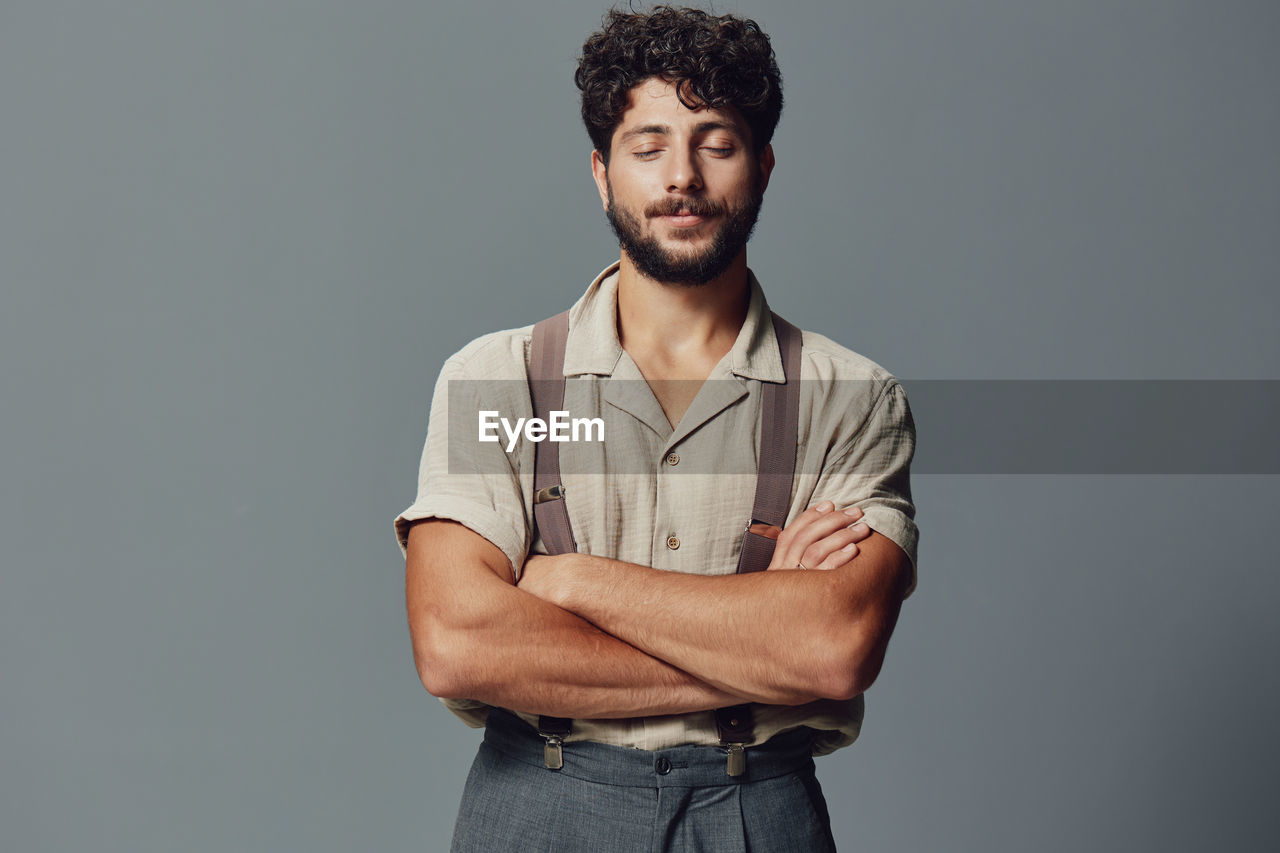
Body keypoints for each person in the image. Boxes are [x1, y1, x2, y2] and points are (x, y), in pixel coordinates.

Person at [395, 6, 918, 850]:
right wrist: (753, 640)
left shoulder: (851, 398)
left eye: (716, 142)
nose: (683, 176)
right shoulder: (496, 379)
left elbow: (832, 647)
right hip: (540, 801)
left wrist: (569, 581)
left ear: (764, 165)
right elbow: (456, 642)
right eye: (648, 147)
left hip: (753, 808)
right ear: (602, 172)